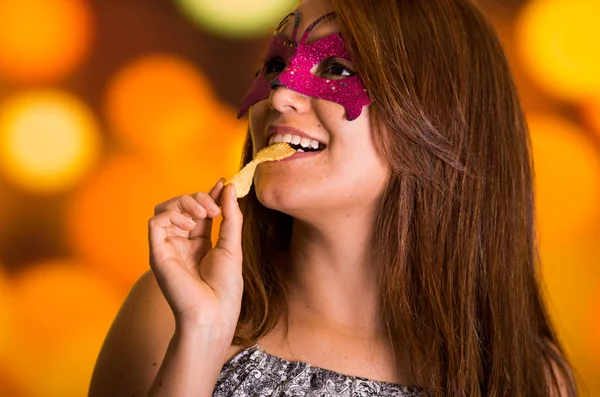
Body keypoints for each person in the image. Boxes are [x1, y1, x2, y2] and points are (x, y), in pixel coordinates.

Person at [89, 0, 578, 396]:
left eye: (339, 68)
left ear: (441, 115)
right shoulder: (171, 314)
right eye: (277, 65)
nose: (280, 93)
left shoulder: (526, 377)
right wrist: (198, 340)